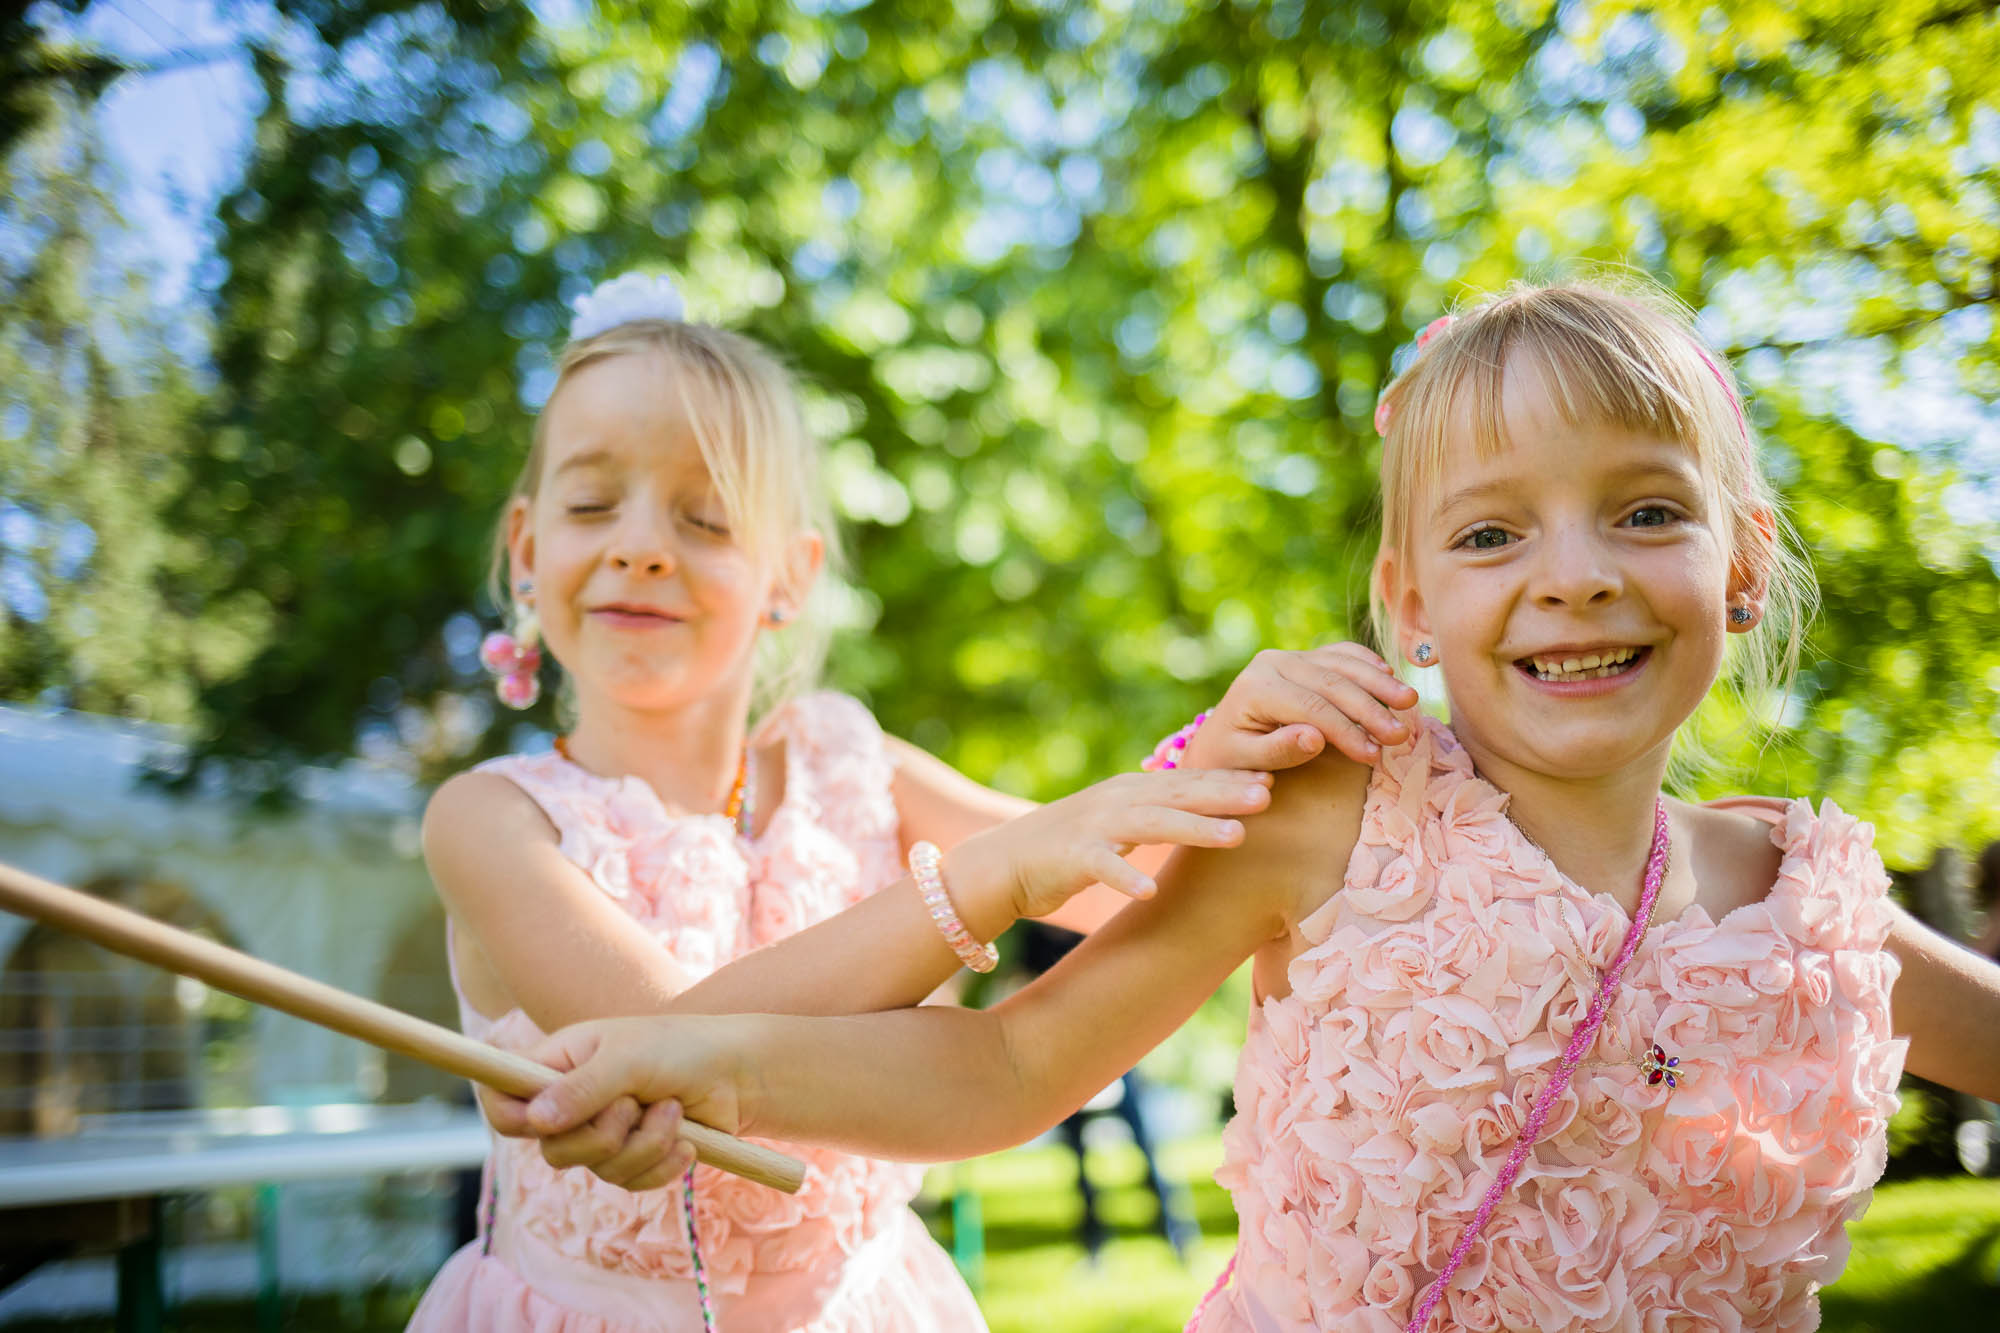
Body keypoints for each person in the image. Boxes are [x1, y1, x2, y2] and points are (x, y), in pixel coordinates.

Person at [484, 278, 2000, 1331]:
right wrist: (702, 1063)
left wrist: (1156, 790)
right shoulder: (1333, 819)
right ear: (1404, 601)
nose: (1577, 570)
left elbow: (1099, 866)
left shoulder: (1811, 908)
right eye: (1491, 531)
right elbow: (1017, 1052)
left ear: (1743, 563)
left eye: (1646, 510)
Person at [407, 271, 1417, 1332]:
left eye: (705, 515)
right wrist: (986, 880)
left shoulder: (850, 760)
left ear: (788, 577)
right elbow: (664, 1034)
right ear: (526, 549)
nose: (641, 543)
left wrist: (1221, 756)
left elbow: (1119, 889)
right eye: (589, 502)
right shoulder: (489, 818)